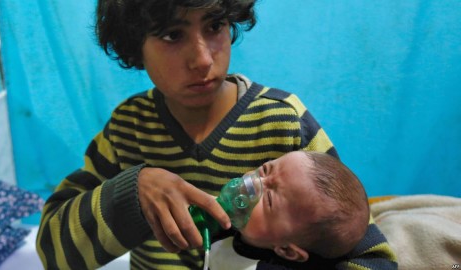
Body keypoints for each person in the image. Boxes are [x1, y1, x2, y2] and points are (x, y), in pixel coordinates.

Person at [36, 0, 397, 269]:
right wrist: (132, 193)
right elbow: (52, 251)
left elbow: (366, 251)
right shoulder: (127, 129)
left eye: (214, 26)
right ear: (135, 46)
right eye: (172, 34)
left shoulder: (283, 121)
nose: (203, 60)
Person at [210, 150, 389, 269]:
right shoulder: (223, 225)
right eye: (265, 169)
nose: (255, 183)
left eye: (269, 200)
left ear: (287, 250)